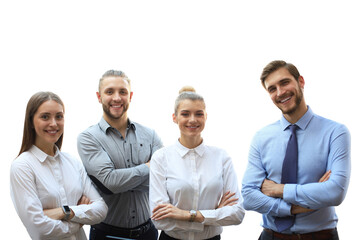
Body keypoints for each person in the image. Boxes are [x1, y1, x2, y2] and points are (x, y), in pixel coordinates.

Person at [241, 60, 351, 240]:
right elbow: (248, 197)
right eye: (272, 89)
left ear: (301, 82)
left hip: (320, 237)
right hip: (271, 236)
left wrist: (279, 189)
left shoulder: (335, 132)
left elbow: (335, 191)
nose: (280, 92)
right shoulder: (261, 137)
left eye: (284, 83)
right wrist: (294, 208)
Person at [149, 86, 245, 240]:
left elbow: (237, 213)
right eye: (185, 114)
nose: (192, 119)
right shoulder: (161, 158)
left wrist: (187, 215)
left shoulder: (221, 157)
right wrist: (213, 216)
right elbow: (160, 220)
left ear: (206, 116)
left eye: (199, 114)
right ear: (175, 117)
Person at [10, 92, 108, 240]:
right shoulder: (22, 167)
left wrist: (65, 212)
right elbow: (40, 229)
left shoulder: (73, 162)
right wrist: (79, 219)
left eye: (59, 116)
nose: (54, 123)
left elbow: (101, 209)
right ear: (30, 121)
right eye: (45, 117)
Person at [77, 70, 163, 240]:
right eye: (109, 92)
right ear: (99, 96)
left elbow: (164, 180)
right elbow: (111, 183)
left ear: (130, 96)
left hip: (149, 233)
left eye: (122, 92)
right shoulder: (88, 138)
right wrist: (149, 167)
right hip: (107, 235)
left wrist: (119, 181)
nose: (117, 98)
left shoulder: (150, 135)